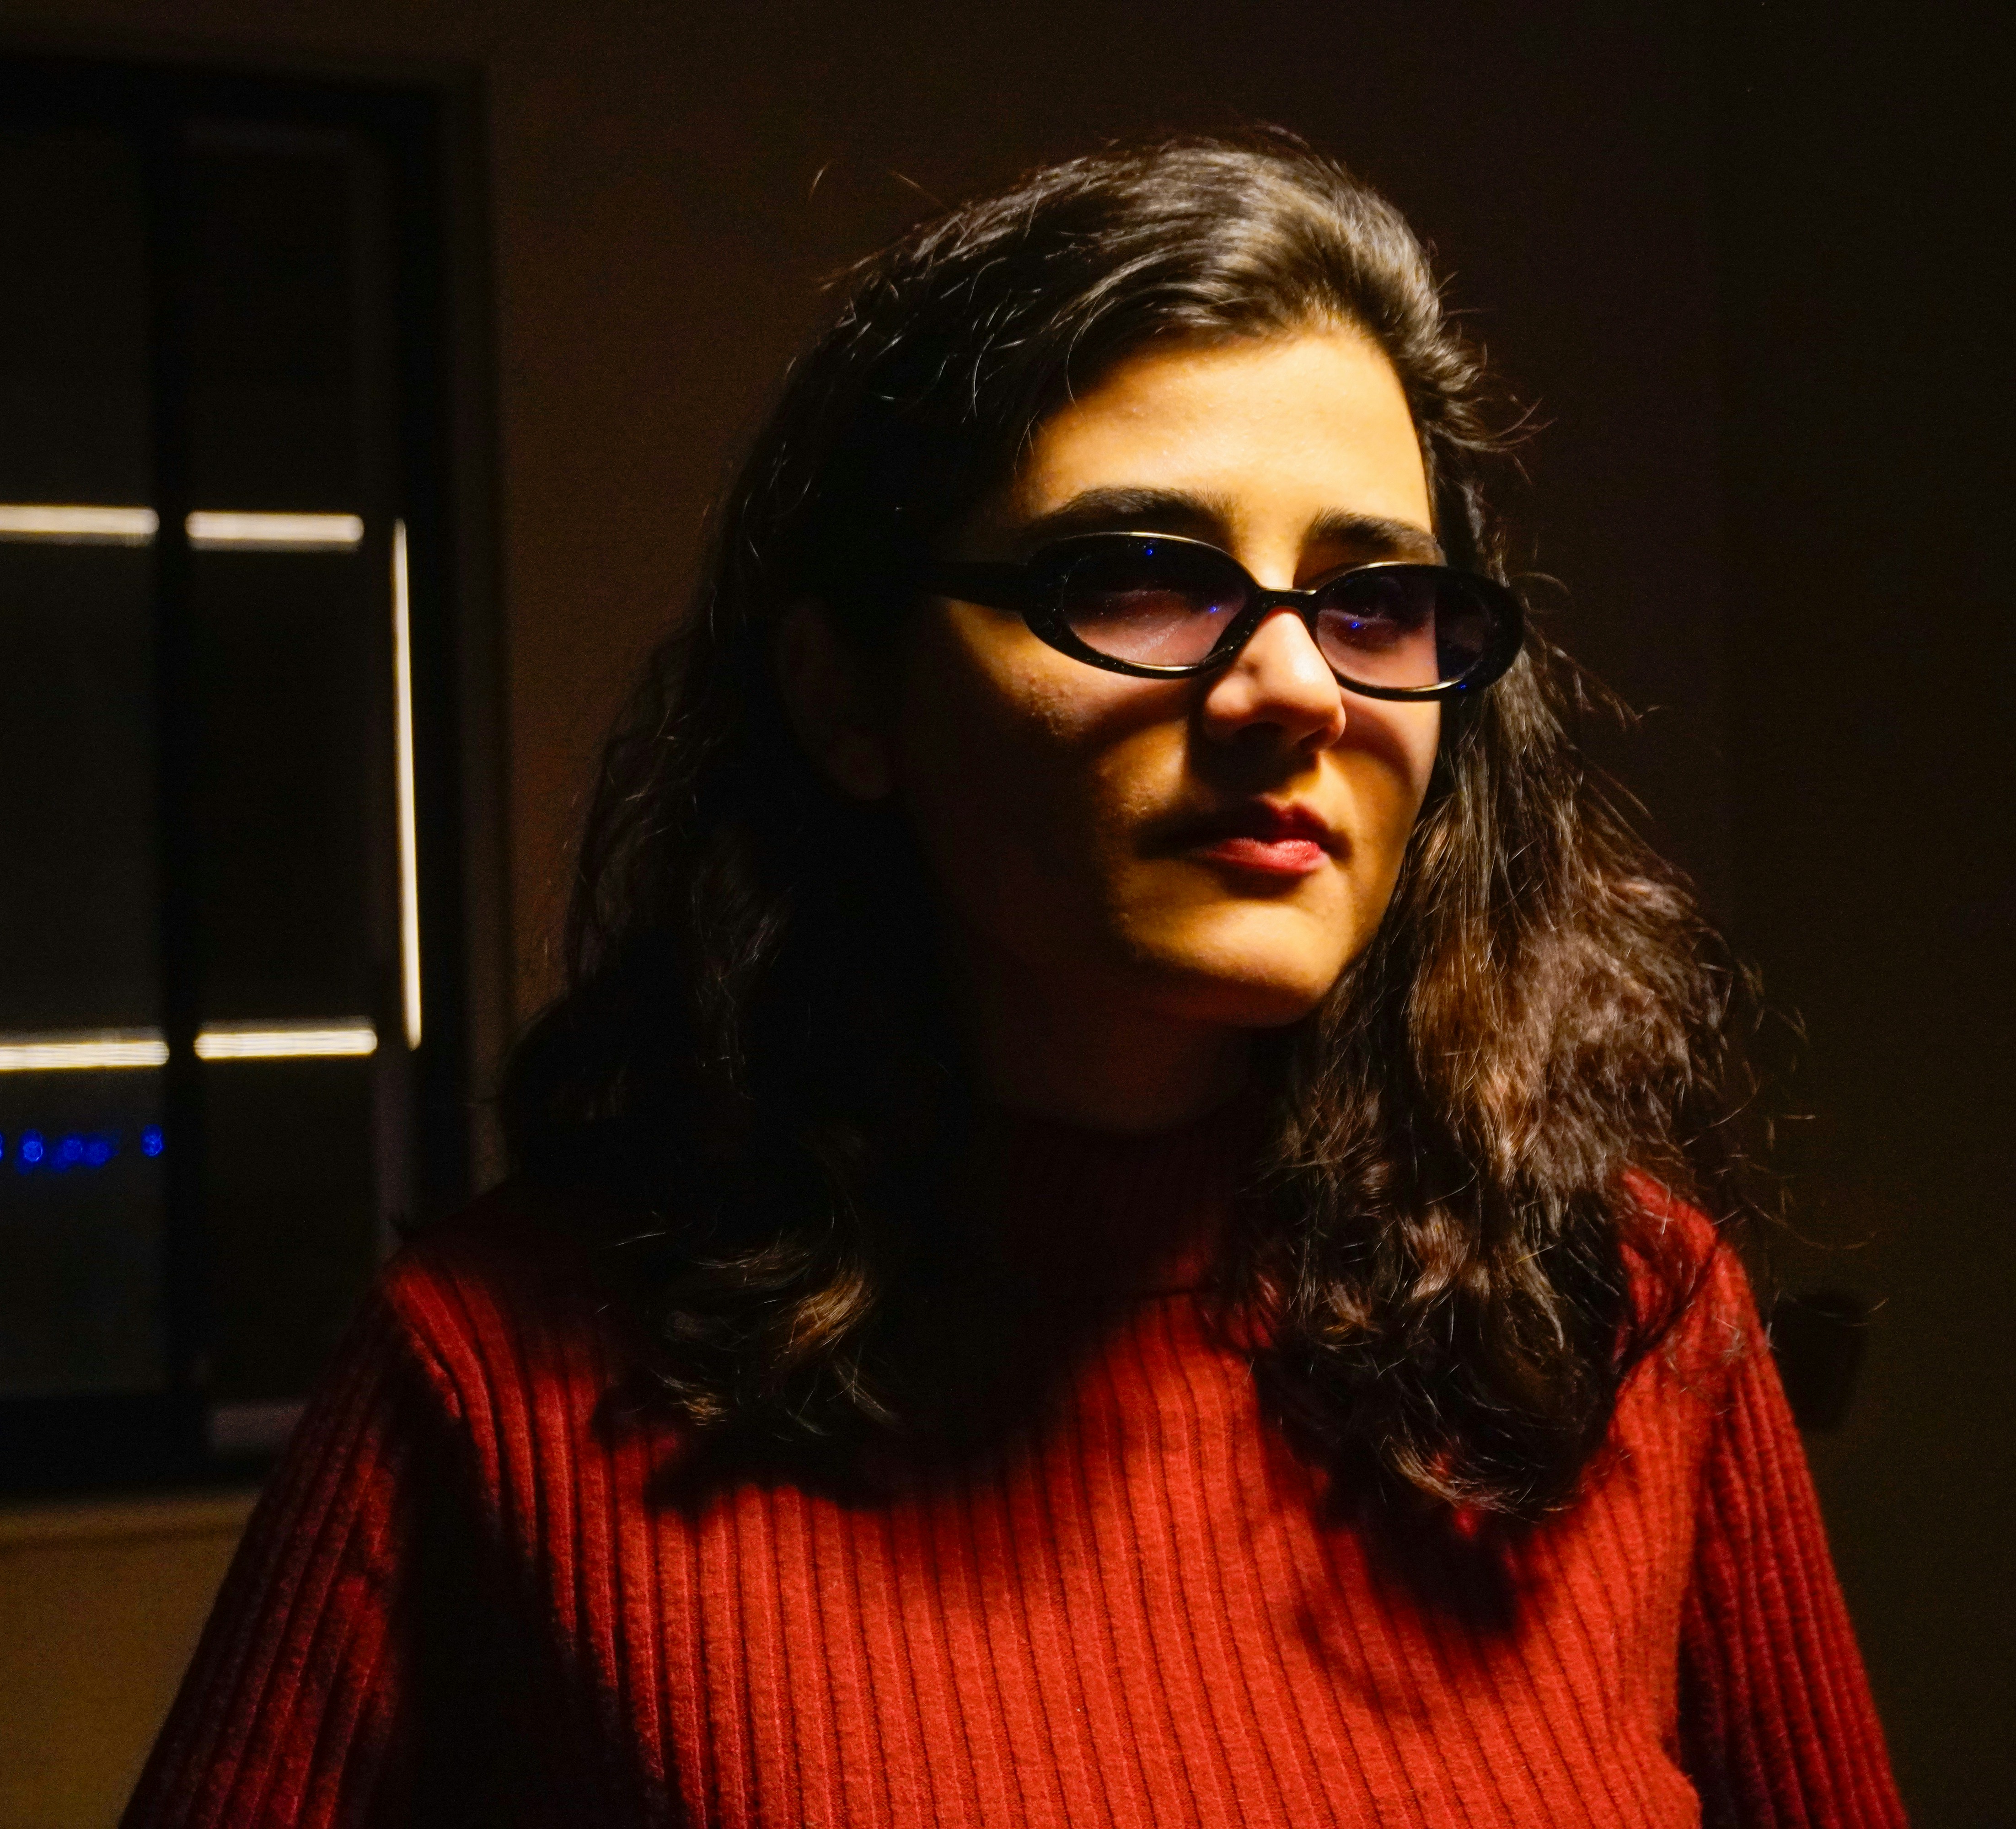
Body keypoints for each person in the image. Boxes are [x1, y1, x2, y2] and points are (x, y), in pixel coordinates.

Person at [124, 138, 1903, 1827]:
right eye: (1140, 577)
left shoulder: (1630, 1318)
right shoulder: (493, 1377)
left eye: (1371, 601)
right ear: (851, 699)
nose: (1298, 690)